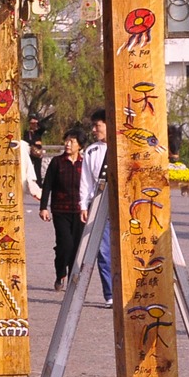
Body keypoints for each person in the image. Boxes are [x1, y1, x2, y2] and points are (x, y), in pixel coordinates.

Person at [39, 127, 86, 292]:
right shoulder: (57, 162)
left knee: (76, 246)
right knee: (64, 244)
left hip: (80, 211)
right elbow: (48, 186)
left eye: (72, 141)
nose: (68, 144)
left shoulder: (84, 163)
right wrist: (43, 207)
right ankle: (60, 273)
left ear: (80, 145)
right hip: (60, 210)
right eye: (66, 140)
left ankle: (74, 278)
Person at [78, 109, 113, 307]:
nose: (94, 130)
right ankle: (109, 293)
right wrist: (83, 204)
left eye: (97, 125)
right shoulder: (91, 151)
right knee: (103, 250)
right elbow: (86, 181)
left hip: (121, 205)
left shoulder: (123, 146)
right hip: (99, 203)